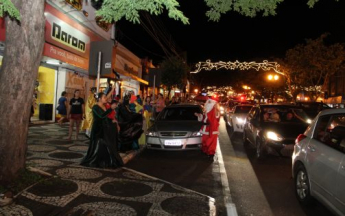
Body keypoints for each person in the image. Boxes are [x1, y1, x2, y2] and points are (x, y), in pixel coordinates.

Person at [80, 92, 123, 168]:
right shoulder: (95, 107)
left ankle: (104, 160)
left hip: (104, 128)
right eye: (104, 97)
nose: (106, 99)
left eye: (106, 97)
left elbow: (106, 118)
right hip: (98, 129)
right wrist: (111, 109)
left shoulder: (104, 106)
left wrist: (112, 121)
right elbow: (101, 116)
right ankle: (97, 160)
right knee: (98, 145)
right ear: (99, 99)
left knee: (106, 144)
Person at [194, 96, 220, 160]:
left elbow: (217, 116)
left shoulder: (214, 110)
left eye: (209, 102)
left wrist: (215, 107)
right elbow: (203, 119)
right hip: (205, 129)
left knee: (211, 143)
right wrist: (199, 115)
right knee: (205, 141)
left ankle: (211, 154)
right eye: (207, 102)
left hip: (212, 129)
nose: (207, 103)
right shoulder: (207, 111)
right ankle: (205, 152)